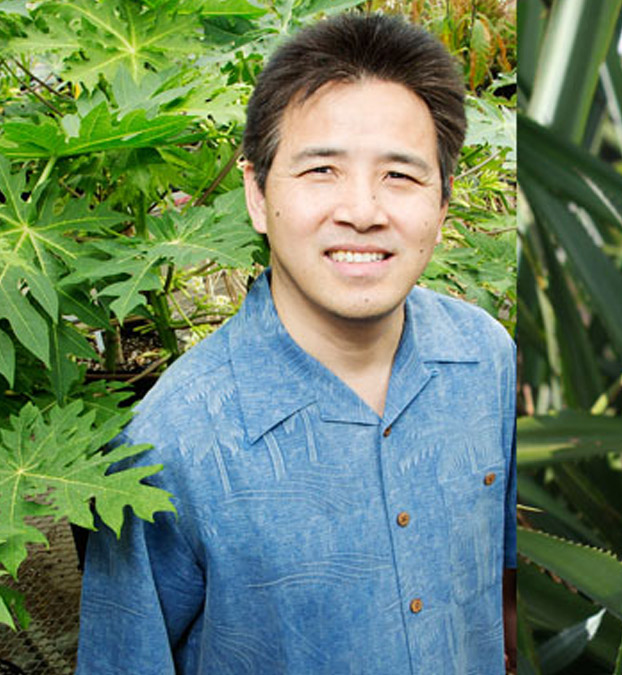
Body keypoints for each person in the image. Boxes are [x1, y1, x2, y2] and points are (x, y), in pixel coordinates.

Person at [76, 12, 517, 674]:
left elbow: (503, 596)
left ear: (443, 202)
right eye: (322, 171)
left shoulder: (488, 359)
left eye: (401, 175)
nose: (363, 210)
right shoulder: (168, 442)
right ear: (256, 195)